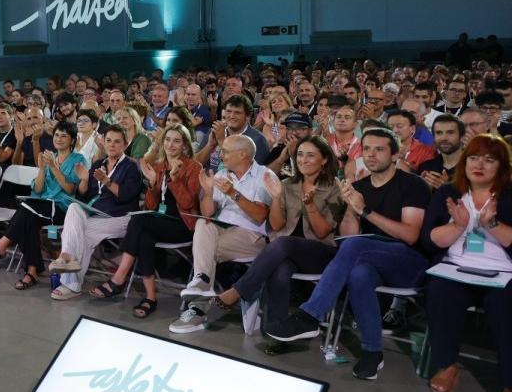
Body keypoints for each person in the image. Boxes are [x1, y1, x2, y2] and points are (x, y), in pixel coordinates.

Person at [266, 128, 431, 381]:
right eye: (366, 149)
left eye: (379, 149)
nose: (371, 155)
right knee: (358, 274)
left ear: (395, 154)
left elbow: (410, 236)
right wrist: (352, 210)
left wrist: (365, 211)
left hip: (408, 262)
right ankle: (372, 353)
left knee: (354, 248)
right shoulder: (359, 187)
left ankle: (310, 315)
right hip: (370, 260)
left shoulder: (412, 185)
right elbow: (348, 235)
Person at [185, 137, 345, 334]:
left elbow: (322, 232)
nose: (303, 159)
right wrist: (277, 197)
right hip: (284, 253)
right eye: (300, 154)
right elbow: (277, 225)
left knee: (281, 244)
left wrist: (310, 205)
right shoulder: (287, 185)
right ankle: (275, 331)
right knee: (280, 268)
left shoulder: (333, 187)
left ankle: (236, 293)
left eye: (310, 155)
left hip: (319, 252)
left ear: (324, 160)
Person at [421, 135, 512, 392]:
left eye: (489, 159)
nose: (479, 165)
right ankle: (447, 365)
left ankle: (510, 383)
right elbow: (429, 240)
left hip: (504, 274)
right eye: (473, 158)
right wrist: (459, 226)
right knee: (439, 293)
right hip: (455, 268)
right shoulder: (448, 193)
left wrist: (492, 224)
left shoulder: (509, 195)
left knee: (504, 305)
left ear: (502, 166)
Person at [87, 126, 202, 317]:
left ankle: (118, 278)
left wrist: (174, 179)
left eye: (176, 141)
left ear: (185, 145)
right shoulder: (159, 166)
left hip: (181, 224)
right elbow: (150, 204)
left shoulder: (193, 167)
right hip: (156, 221)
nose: (170, 144)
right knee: (144, 236)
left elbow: (188, 202)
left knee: (139, 221)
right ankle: (150, 297)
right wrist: (152, 184)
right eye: (167, 140)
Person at [0, 122, 86, 290]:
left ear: (72, 140)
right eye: (56, 135)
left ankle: (3, 244)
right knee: (29, 221)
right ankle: (32, 271)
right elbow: (39, 189)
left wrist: (53, 167)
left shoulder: (78, 159)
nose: (59, 139)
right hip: (40, 207)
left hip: (62, 208)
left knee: (26, 208)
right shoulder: (50, 156)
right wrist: (41, 169)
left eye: (64, 136)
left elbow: (70, 189)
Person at [172, 135, 276, 314]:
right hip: (220, 231)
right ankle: (202, 282)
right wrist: (209, 192)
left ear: (242, 154)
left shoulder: (264, 176)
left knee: (204, 251)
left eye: (226, 151)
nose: (221, 155)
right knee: (203, 225)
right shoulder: (221, 174)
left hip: (251, 236)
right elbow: (208, 214)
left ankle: (196, 309)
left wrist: (233, 193)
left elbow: (260, 216)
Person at [47, 125, 144, 300]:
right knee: (74, 208)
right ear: (103, 143)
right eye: (108, 141)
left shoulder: (131, 166)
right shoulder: (99, 164)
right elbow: (86, 194)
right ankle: (67, 258)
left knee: (82, 233)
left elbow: (126, 195)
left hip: (121, 217)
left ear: (125, 144)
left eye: (117, 142)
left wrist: (107, 181)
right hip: (97, 214)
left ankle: (71, 283)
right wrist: (84, 180)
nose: (112, 145)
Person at [196, 94, 269, 170]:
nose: (231, 116)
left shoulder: (258, 139)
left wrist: (222, 141)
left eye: (237, 113)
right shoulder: (215, 131)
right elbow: (196, 164)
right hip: (209, 179)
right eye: (228, 111)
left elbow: (248, 174)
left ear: (247, 116)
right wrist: (210, 145)